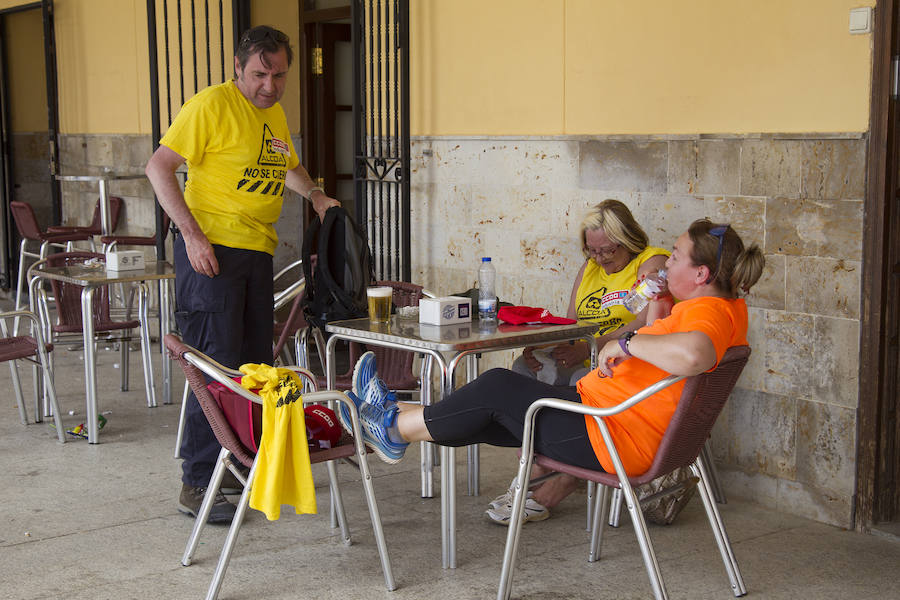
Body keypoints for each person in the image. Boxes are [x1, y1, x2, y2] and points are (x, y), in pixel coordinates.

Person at [336, 220, 764, 527]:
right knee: (490, 413)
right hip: (611, 422)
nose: (666, 265)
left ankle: (391, 428)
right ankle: (395, 419)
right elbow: (670, 341)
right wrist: (658, 302)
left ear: (702, 274)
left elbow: (694, 355)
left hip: (611, 437)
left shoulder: (708, 314)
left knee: (496, 388)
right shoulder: (722, 308)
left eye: (674, 257)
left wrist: (627, 343)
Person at [145, 25, 338, 524]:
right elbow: (159, 167)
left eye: (279, 75)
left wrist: (314, 194)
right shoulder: (210, 105)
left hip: (256, 253)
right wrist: (189, 234)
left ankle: (236, 469)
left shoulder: (272, 113)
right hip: (212, 254)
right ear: (238, 67)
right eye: (259, 74)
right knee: (213, 366)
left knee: (251, 368)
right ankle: (198, 480)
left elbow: (287, 165)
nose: (269, 86)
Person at [500, 199, 668, 523]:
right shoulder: (590, 268)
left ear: (629, 241)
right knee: (524, 372)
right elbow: (570, 324)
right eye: (593, 251)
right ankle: (540, 471)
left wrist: (593, 345)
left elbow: (647, 323)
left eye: (608, 251)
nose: (600, 259)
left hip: (619, 360)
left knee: (577, 383)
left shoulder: (650, 263)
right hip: (585, 351)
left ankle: (560, 478)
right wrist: (542, 347)